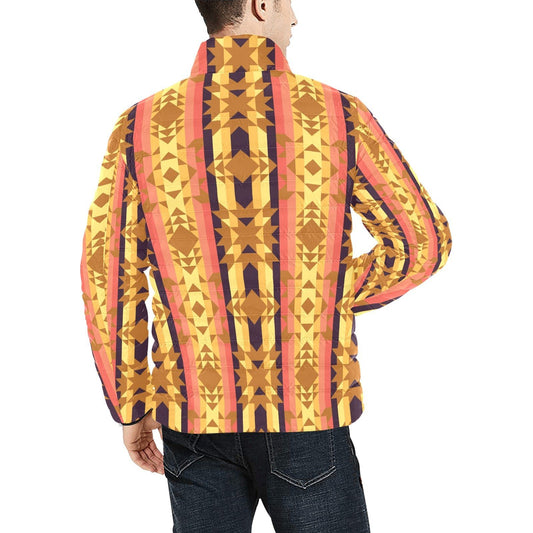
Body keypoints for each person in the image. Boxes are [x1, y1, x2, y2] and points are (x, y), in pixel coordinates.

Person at [80, 0, 453, 531]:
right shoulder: (337, 114)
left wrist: (131, 403)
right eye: (288, 2)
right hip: (307, 409)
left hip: (192, 411)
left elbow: (107, 275)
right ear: (260, 5)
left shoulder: (140, 125)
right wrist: (322, 295)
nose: (295, 18)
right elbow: (424, 242)